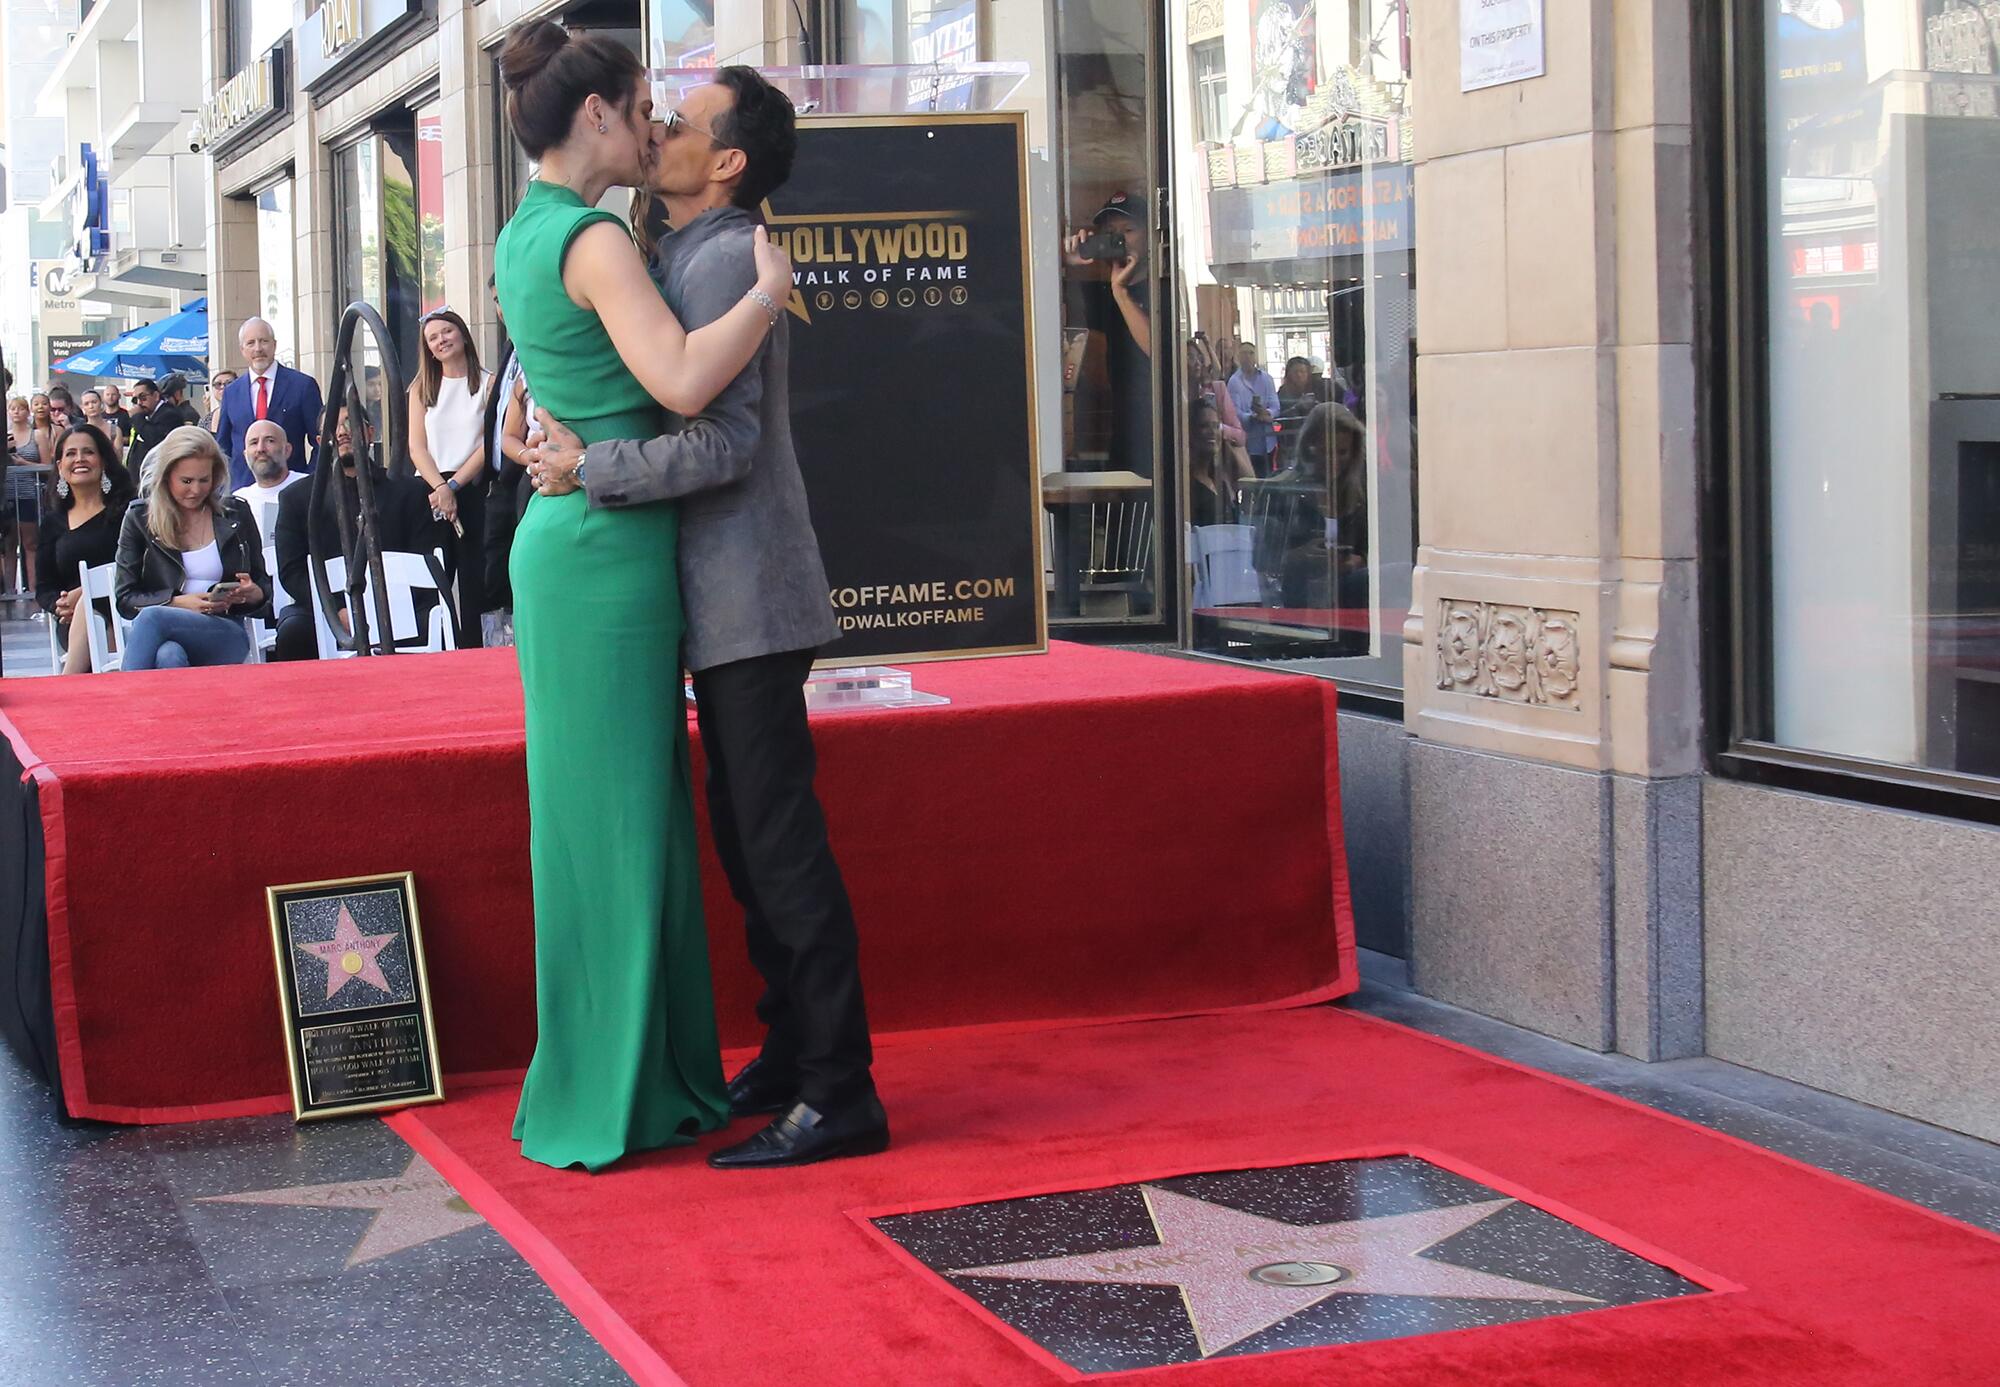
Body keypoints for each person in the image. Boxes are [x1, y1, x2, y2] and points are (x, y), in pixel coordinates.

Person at [531, 64, 886, 1171]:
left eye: (687, 121)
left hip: (749, 598)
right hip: (718, 601)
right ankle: (791, 1059)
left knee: (776, 847)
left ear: (726, 163)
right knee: (746, 838)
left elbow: (720, 444)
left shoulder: (727, 254)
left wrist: (594, 465)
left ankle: (840, 1092)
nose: (664, 124)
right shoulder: (674, 250)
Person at [492, 19, 792, 1172]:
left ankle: (646, 1074)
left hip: (575, 543)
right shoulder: (595, 238)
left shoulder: (532, 230)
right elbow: (674, 377)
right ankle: (606, 1090)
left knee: (611, 824)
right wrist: (765, 294)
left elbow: (556, 370)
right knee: (615, 829)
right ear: (597, 116)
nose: (657, 125)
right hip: (606, 557)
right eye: (643, 105)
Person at [272, 406, 436, 662]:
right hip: (325, 607)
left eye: (350, 424)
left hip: (398, 605)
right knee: (294, 630)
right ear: (319, 441)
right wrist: (336, 609)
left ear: (370, 433)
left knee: (436, 622)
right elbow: (292, 570)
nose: (341, 433)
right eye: (332, 427)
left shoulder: (409, 492)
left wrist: (384, 606)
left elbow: (425, 558)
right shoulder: (297, 498)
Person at [114, 427, 271, 670]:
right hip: (165, 632)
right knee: (169, 655)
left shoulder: (236, 513)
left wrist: (253, 593)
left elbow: (263, 586)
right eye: (186, 481)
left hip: (226, 629)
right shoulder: (139, 518)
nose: (196, 490)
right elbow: (125, 599)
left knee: (152, 618)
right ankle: (182, 709)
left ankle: (121, 704)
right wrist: (178, 603)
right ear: (167, 477)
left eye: (204, 480)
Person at [407, 307, 495, 645]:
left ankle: (475, 649)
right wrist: (441, 487)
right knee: (432, 580)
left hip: (472, 487)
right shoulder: (420, 388)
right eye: (432, 337)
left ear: (461, 333)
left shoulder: (488, 383)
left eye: (446, 332)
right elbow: (417, 447)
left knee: (475, 580)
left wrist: (455, 485)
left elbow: (489, 444)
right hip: (429, 489)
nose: (441, 340)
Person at [1063, 191, 1153, 477]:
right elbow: (1066, 325)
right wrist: (1068, 265)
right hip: (1122, 435)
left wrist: (1121, 293)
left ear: (1151, 235)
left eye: (1128, 230)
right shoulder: (1102, 293)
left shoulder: (1162, 287)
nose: (1120, 240)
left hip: (1160, 434)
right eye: (1111, 233)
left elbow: (1159, 351)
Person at [35, 424, 135, 673]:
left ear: (103, 461)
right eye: (70, 454)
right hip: (73, 621)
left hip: (122, 610)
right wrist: (59, 604)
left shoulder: (127, 513)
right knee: (87, 614)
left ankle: (65, 689)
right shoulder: (52, 522)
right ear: (59, 466)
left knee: (90, 610)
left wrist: (85, 591)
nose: (79, 459)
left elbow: (137, 566)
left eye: (88, 452)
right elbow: (44, 587)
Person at [214, 318, 325, 491]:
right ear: (242, 350)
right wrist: (226, 487)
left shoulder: (302, 386)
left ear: (274, 345)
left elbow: (322, 441)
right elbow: (223, 447)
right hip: (242, 490)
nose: (258, 349)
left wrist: (309, 480)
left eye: (264, 341)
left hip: (291, 491)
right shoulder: (232, 392)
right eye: (251, 343)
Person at [236, 419, 307, 548]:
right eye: (254, 442)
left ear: (287, 450)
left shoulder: (310, 487)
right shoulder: (237, 502)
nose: (260, 449)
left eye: (270, 441)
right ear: (245, 455)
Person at [126, 376, 200, 487]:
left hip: (158, 480)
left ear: (156, 396)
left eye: (143, 397)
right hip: (141, 480)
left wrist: (137, 417)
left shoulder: (169, 414)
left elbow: (154, 439)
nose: (139, 403)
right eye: (135, 399)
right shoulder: (147, 415)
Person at [1228, 343, 1281, 476]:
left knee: (1267, 480)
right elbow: (1234, 411)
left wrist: (1267, 414)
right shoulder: (1234, 382)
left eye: (1251, 353)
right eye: (1244, 353)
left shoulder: (1267, 379)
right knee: (1250, 483)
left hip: (1268, 442)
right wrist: (1251, 417)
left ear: (1256, 357)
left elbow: (1275, 405)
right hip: (1247, 442)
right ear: (1239, 357)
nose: (1248, 357)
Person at [77, 390, 124, 460]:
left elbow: (118, 458)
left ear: (101, 404)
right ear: (83, 408)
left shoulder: (115, 430)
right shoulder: (80, 432)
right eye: (86, 404)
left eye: (94, 402)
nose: (91, 406)